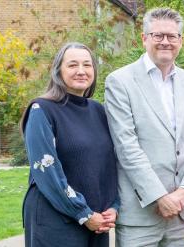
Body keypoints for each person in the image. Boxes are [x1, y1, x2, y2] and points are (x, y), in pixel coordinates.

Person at [104, 7, 184, 246]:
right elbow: (126, 147)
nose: (165, 42)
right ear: (144, 38)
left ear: (181, 41)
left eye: (172, 36)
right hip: (140, 213)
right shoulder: (120, 82)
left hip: (183, 211)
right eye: (158, 35)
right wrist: (160, 197)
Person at [21, 42, 119, 246]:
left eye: (87, 65)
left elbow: (109, 164)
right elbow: (47, 171)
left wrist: (113, 205)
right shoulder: (42, 110)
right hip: (56, 219)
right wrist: (83, 213)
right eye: (73, 65)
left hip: (97, 219)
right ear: (58, 71)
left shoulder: (99, 111)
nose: (81, 71)